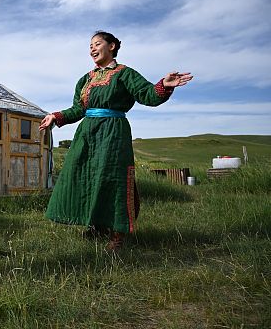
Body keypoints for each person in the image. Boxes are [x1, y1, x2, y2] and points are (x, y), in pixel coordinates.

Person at [39, 31, 193, 251]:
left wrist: (164, 85)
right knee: (87, 177)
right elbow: (79, 109)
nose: (92, 49)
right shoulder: (85, 79)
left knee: (113, 178)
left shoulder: (125, 74)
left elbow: (147, 94)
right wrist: (56, 116)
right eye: (90, 45)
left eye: (97, 44)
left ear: (111, 46)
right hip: (87, 134)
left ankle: (117, 233)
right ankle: (96, 226)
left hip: (113, 132)